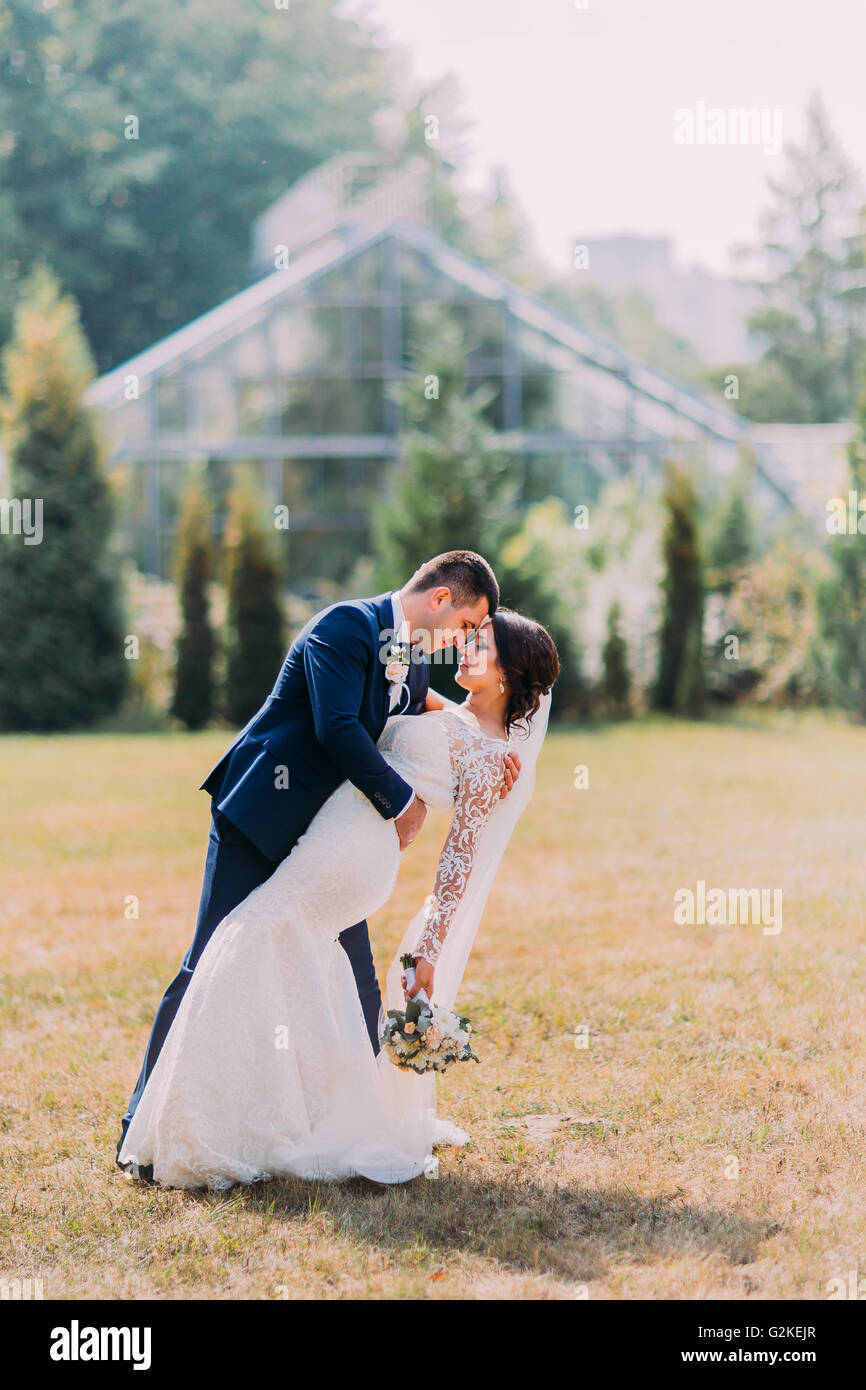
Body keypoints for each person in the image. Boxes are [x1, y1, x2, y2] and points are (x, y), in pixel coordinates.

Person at [118, 609, 558, 1188]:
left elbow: (459, 858)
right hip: (335, 832)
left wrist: (429, 949)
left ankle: (214, 1123)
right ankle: (293, 1110)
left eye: (482, 645)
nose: (465, 649)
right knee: (287, 952)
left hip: (357, 852)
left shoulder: (491, 758)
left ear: (508, 674)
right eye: (469, 637)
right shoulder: (451, 714)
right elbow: (423, 712)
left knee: (256, 933)